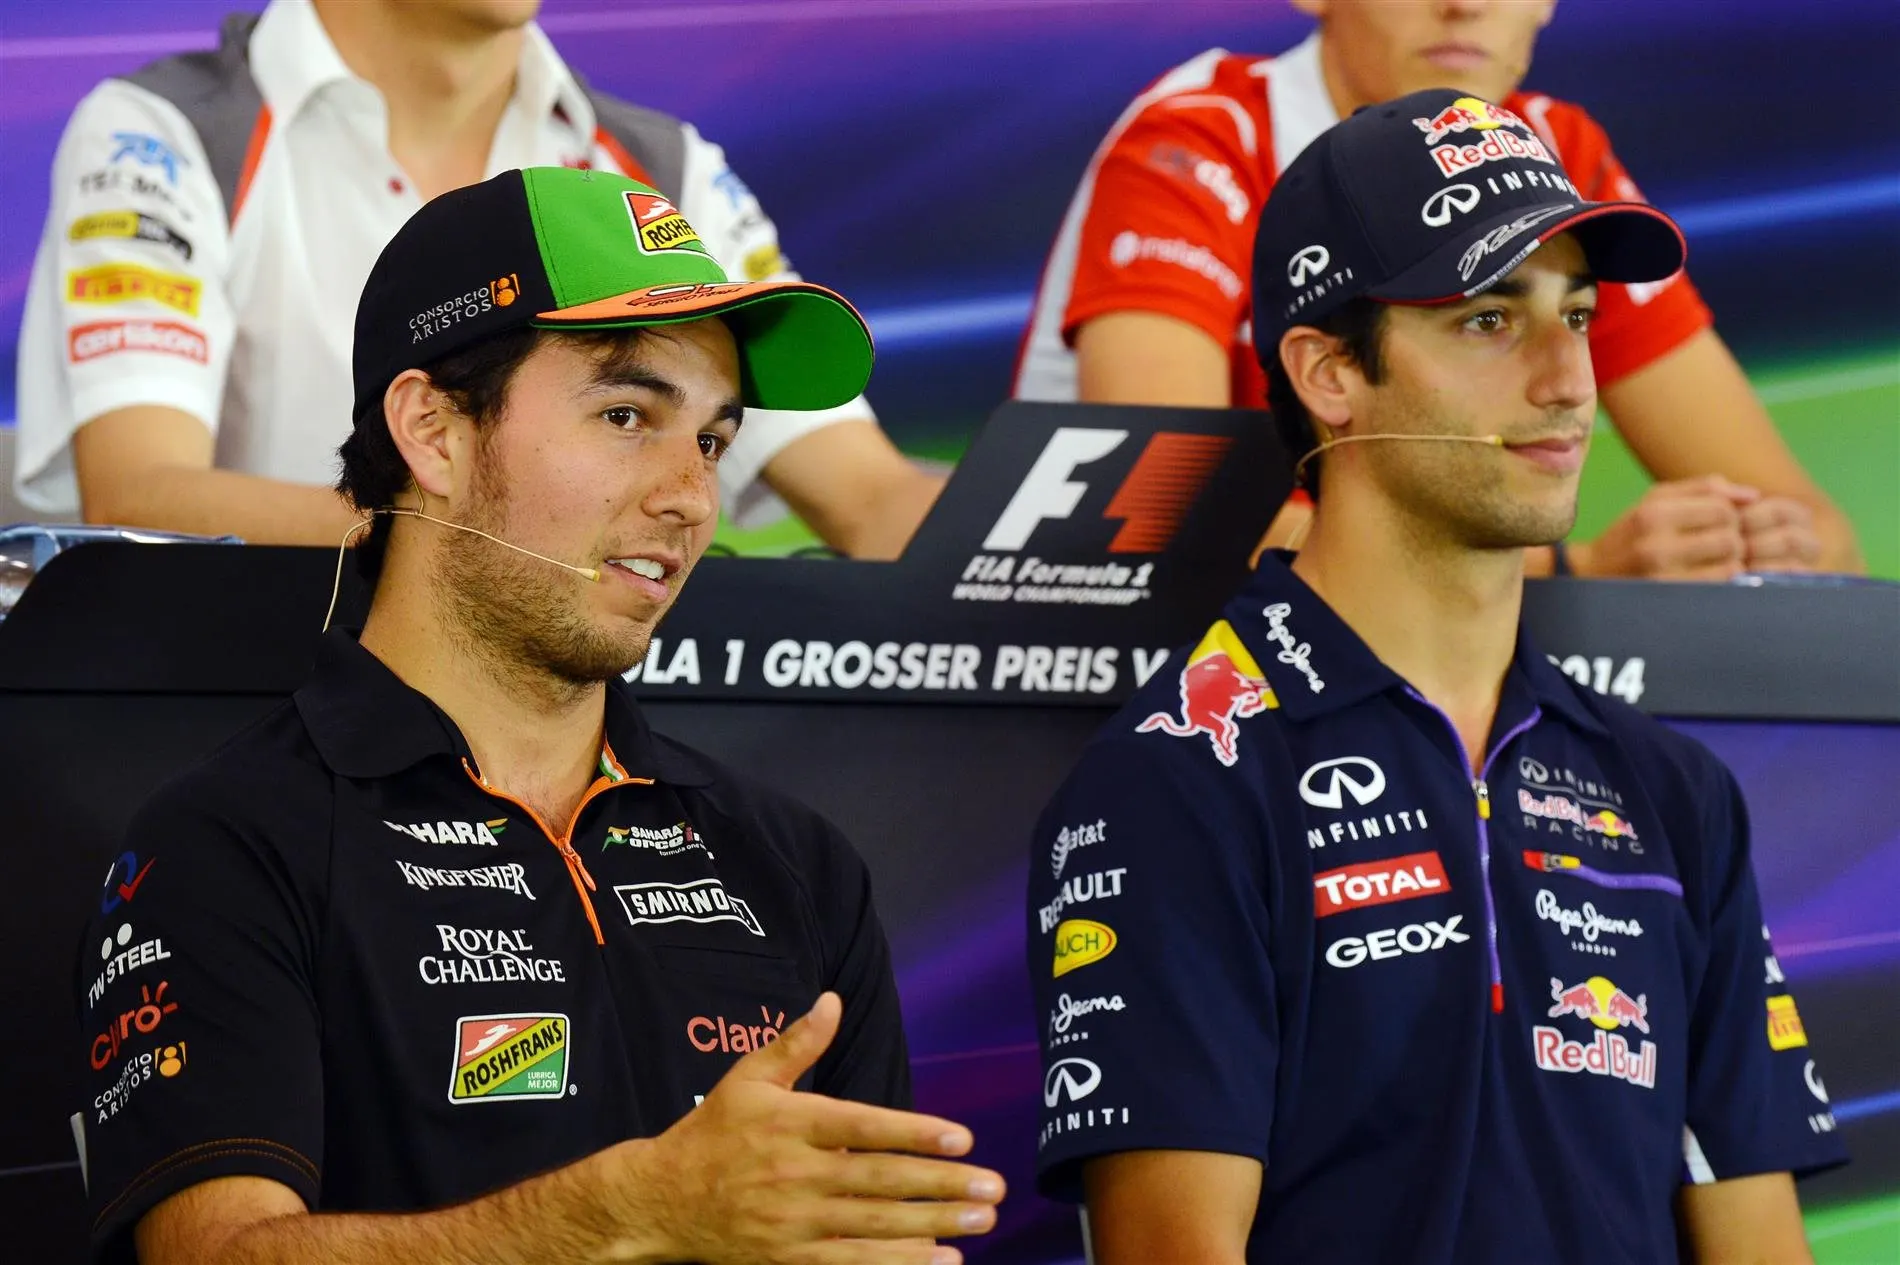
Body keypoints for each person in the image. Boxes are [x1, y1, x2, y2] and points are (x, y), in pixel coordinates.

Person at [75, 166, 1003, 1265]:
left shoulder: (793, 862)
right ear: (433, 432)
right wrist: (626, 1212)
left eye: (711, 440)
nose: (691, 498)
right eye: (627, 417)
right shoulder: (230, 843)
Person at [1025, 91, 1846, 1264]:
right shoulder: (1182, 779)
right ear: (1328, 371)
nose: (1568, 380)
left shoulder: (1673, 791)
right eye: (1488, 319)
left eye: (1576, 314)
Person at [16, 0, 940, 559]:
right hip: (252, 715)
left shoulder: (664, 169)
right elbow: (140, 497)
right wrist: (506, 545)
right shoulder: (161, 132)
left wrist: (1028, 536)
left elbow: (869, 499)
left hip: (568, 731)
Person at [1013, 0, 1862, 579]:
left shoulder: (1553, 150)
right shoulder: (1201, 137)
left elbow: (1819, 537)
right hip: (1100, 670)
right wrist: (1578, 572)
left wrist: (1759, 544)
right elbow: (1166, 525)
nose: (1464, 4)